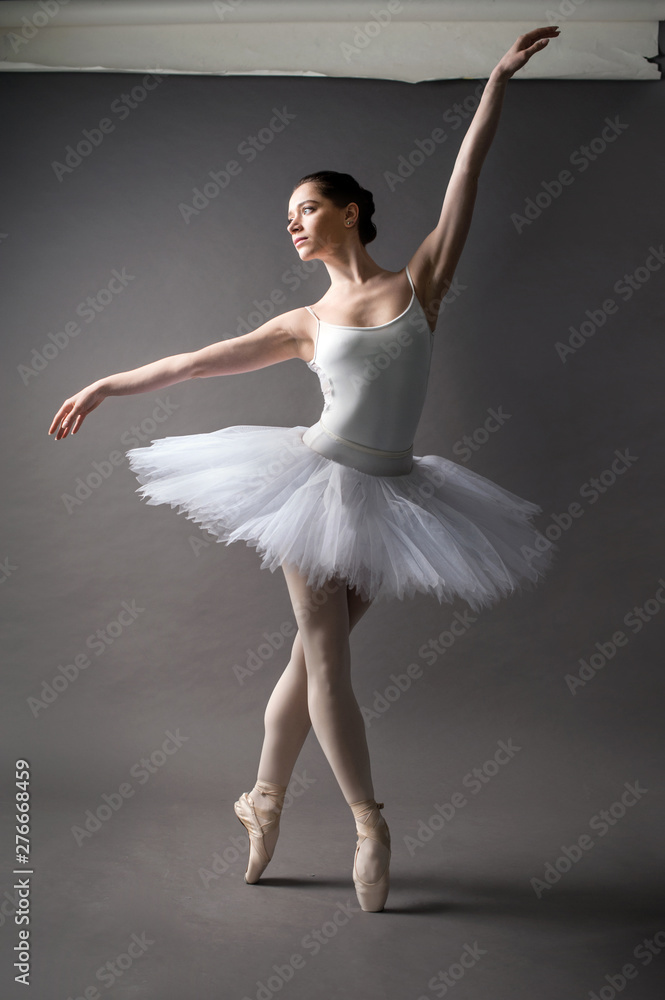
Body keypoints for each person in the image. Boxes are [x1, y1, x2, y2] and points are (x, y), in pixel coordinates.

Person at [49, 25, 560, 913]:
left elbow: (465, 175)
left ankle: (261, 800)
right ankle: (370, 823)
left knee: (304, 659)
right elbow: (195, 361)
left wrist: (496, 80)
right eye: (286, 216)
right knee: (326, 665)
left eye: (305, 208)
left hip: (394, 494)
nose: (291, 222)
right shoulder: (304, 322)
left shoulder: (418, 284)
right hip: (313, 488)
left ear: (350, 211)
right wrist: (107, 382)